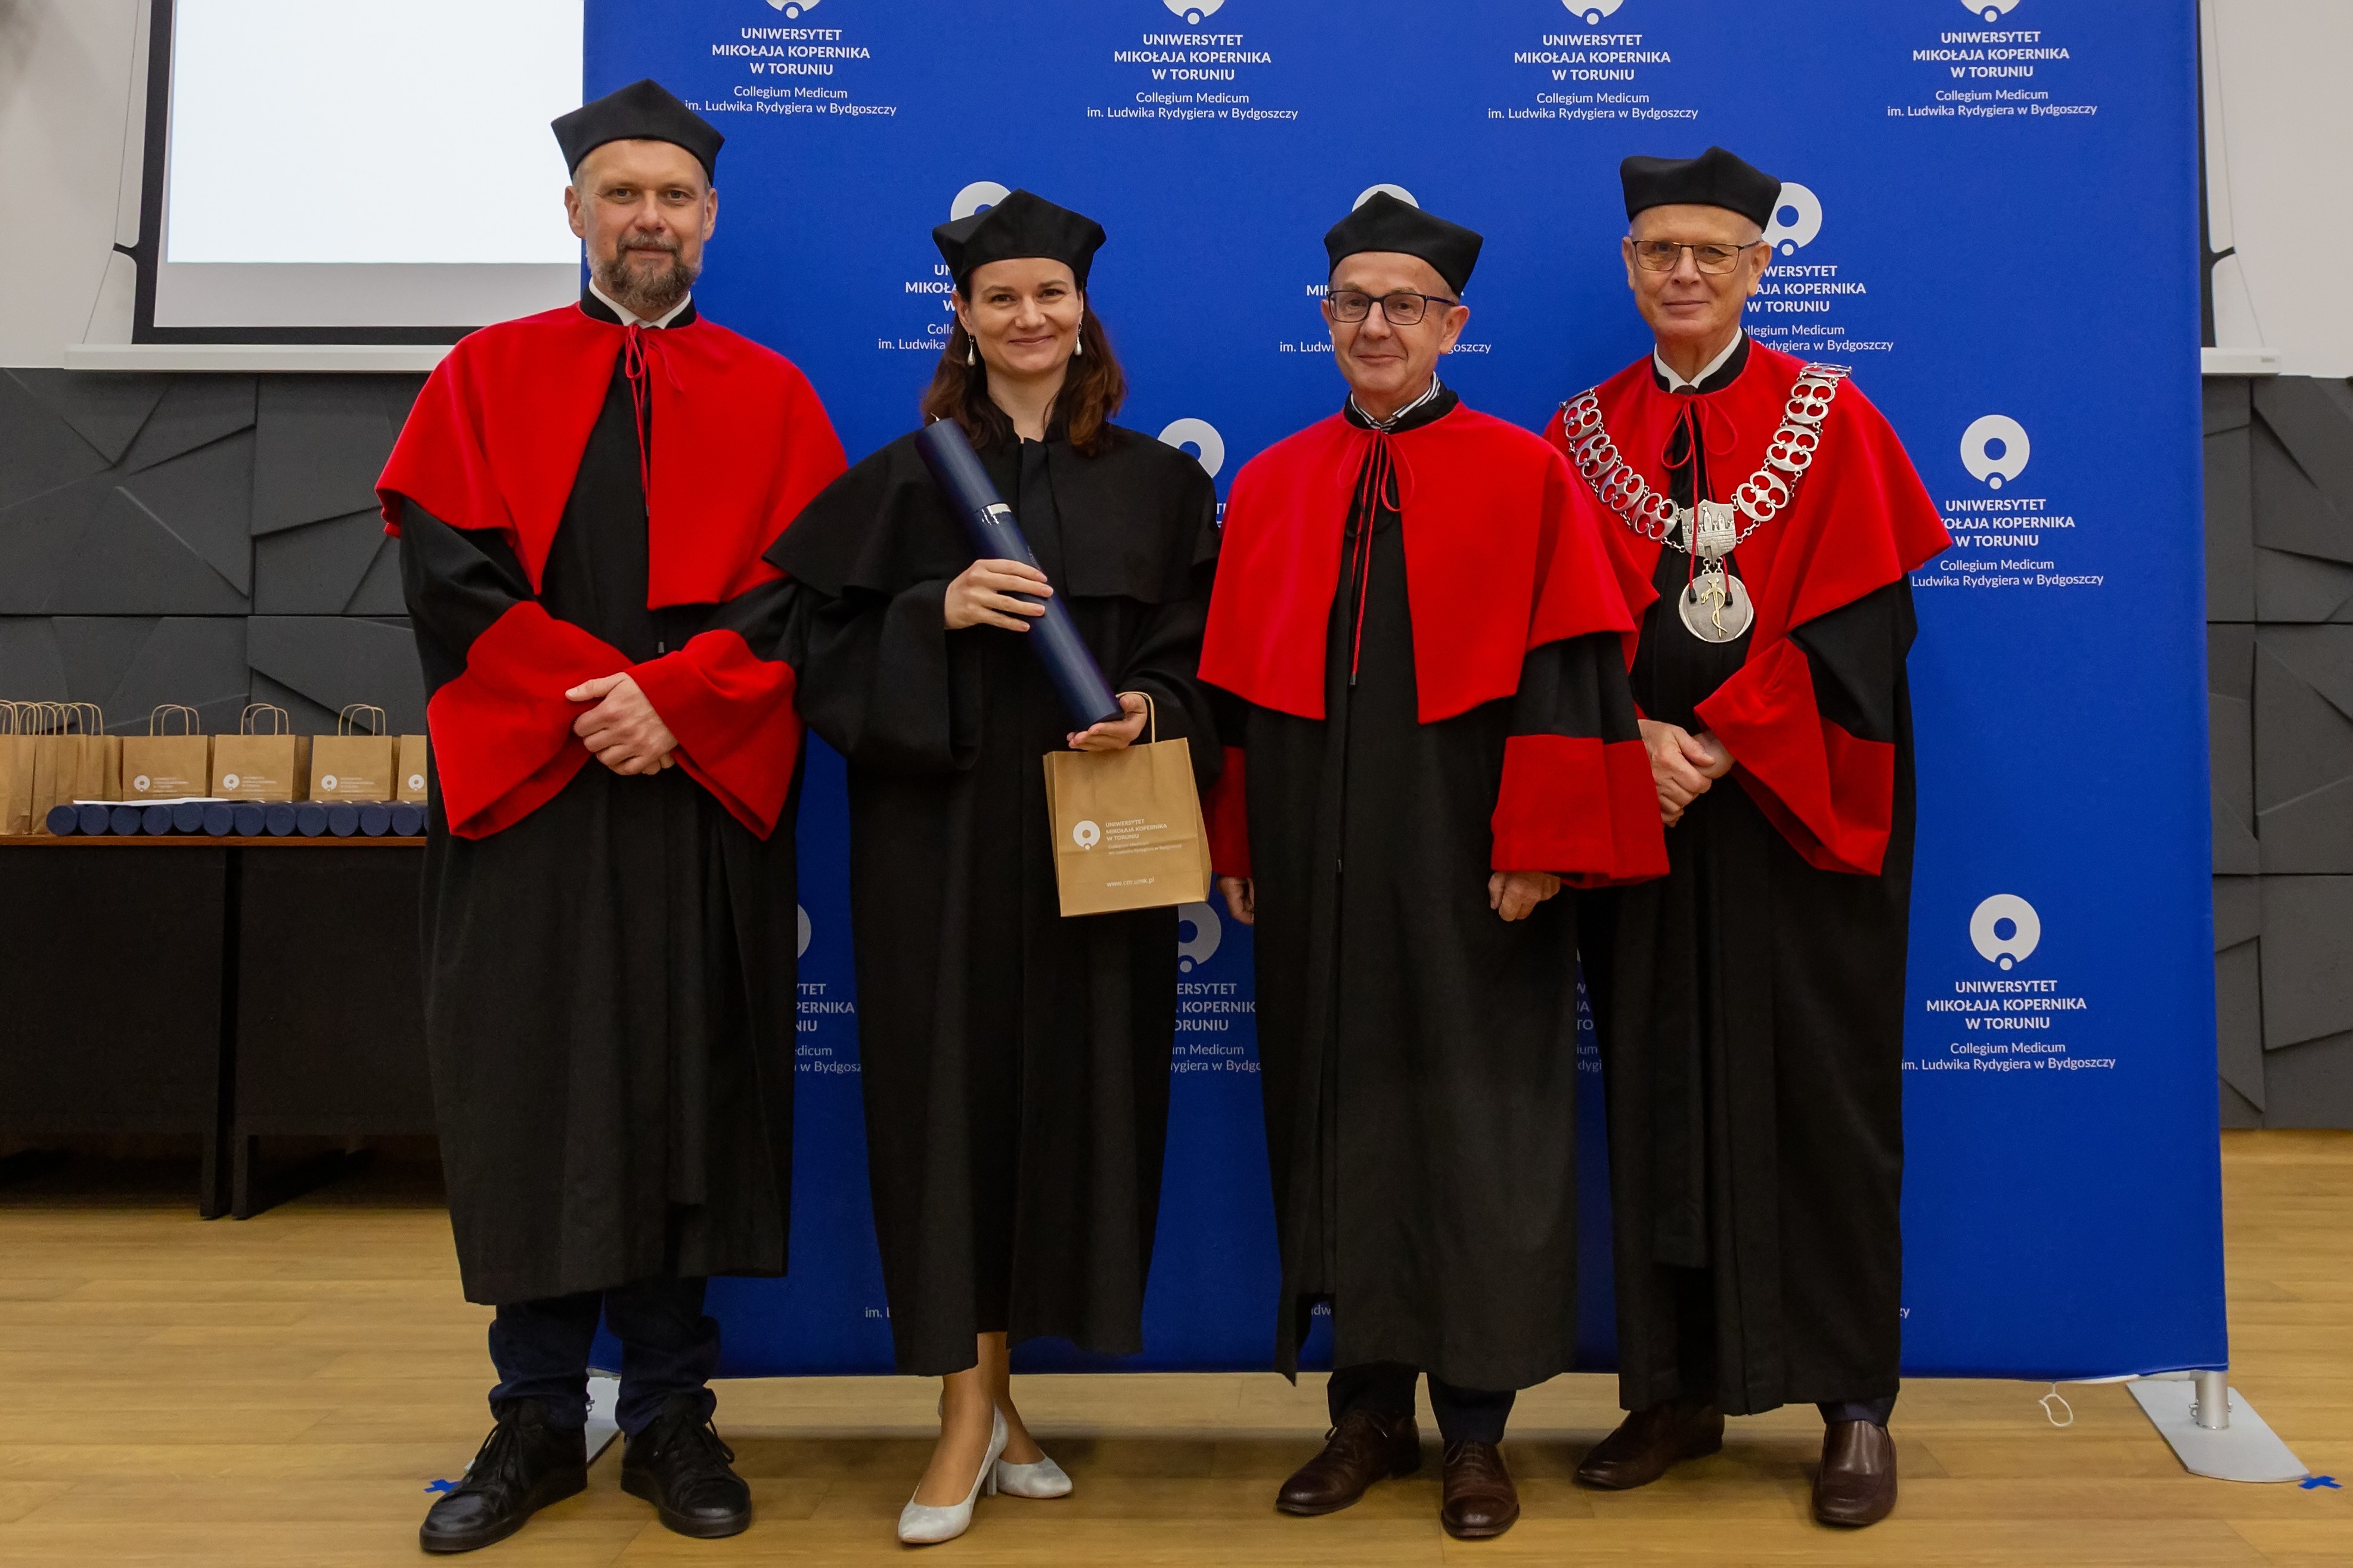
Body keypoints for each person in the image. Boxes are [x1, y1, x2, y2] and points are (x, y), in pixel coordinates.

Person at [377, 79, 846, 1554]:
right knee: (531, 1085)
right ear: (575, 210)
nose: (650, 217)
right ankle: (533, 1412)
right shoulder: (483, 375)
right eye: (623, 193)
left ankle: (668, 1413)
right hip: (531, 796)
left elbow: (800, 601)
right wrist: (603, 700)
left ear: (711, 218)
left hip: (695, 797)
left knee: (684, 1083)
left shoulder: (773, 395)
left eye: (675, 196)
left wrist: (678, 704)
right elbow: (451, 582)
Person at [1198, 192, 1664, 1541]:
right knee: (1338, 1117)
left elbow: (1574, 672)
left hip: (1476, 865)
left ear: (1453, 324)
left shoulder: (1527, 474)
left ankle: (1474, 1429)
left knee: (1477, 1131)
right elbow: (1242, 696)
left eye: (1404, 305)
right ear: (1326, 318)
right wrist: (1241, 843)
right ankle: (1365, 1414)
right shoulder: (1274, 482)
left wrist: (1545, 844)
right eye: (1354, 303)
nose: (1377, 326)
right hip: (1319, 867)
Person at [767, 190, 1223, 1547]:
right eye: (1002, 297)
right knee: (946, 1106)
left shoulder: (1161, 484)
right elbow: (813, 656)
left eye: (1051, 296)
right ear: (963, 317)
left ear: (1084, 313)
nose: (1030, 317)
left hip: (1101, 838)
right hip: (942, 845)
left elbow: (1205, 654)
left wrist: (1151, 708)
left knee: (1075, 1105)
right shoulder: (908, 481)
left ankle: (1007, 1401)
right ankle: (963, 1411)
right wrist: (935, 610)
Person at [1552, 146, 1949, 1529]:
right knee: (1656, 1088)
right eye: (1660, 250)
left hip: (1798, 811)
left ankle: (1852, 1401)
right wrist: (1632, 737)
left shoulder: (1832, 416)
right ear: (1629, 265)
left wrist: (1725, 737)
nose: (1684, 272)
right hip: (1646, 814)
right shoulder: (1581, 432)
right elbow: (1561, 627)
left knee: (1824, 1097)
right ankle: (1675, 1390)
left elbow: (1868, 626)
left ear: (1758, 266)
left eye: (1711, 252)